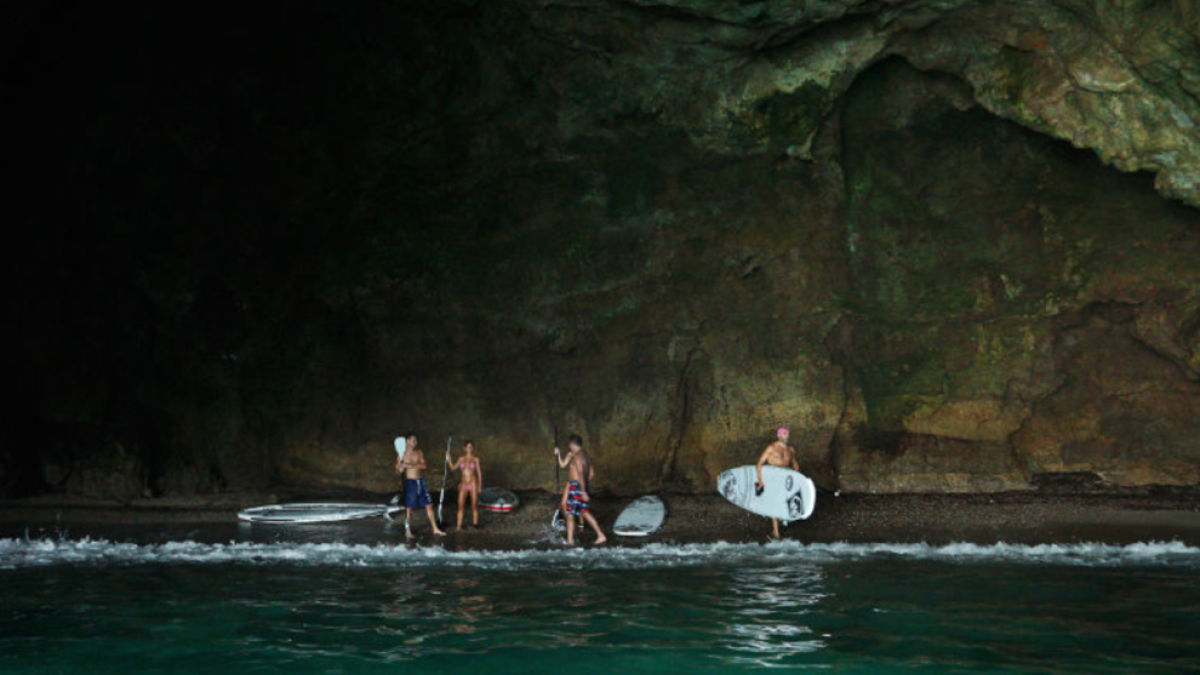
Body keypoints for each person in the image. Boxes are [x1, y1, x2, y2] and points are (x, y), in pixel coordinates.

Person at [554, 434, 606, 546]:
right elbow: (592, 474)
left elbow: (581, 473)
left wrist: (581, 490)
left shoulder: (577, 457)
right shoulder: (585, 455)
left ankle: (571, 541)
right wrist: (558, 455)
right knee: (582, 512)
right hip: (580, 486)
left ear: (571, 444)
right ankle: (598, 535)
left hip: (577, 487)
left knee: (571, 513)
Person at [395, 432, 446, 537]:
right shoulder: (401, 455)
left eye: (416, 440)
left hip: (421, 482)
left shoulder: (419, 452)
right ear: (407, 441)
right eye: (413, 440)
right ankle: (407, 530)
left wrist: (408, 465)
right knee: (409, 507)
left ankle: (435, 529)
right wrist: (400, 468)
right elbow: (397, 471)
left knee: (429, 505)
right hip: (410, 483)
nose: (415, 442)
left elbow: (424, 466)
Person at [756, 427, 800, 540]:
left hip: (785, 478)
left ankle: (777, 524)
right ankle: (776, 532)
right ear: (779, 435)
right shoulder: (771, 448)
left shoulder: (791, 450)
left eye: (788, 434)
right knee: (775, 503)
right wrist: (761, 481)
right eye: (785, 434)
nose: (787, 436)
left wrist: (796, 468)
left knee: (783, 503)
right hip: (773, 477)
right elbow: (759, 464)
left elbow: (795, 464)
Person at [453, 440, 483, 531]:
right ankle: (458, 526)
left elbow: (479, 473)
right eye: (468, 447)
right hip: (463, 484)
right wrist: (448, 458)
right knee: (460, 505)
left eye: (471, 447)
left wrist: (480, 486)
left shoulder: (476, 459)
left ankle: (475, 524)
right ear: (464, 448)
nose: (470, 449)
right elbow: (453, 468)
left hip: (473, 483)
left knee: (474, 505)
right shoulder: (461, 459)